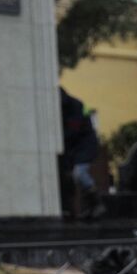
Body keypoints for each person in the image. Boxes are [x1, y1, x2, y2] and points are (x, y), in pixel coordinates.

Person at [59, 87, 100, 218]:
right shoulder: (65, 106)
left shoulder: (75, 106)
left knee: (80, 173)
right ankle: (77, 209)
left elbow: (73, 131)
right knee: (68, 177)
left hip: (85, 146)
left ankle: (96, 203)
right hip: (73, 149)